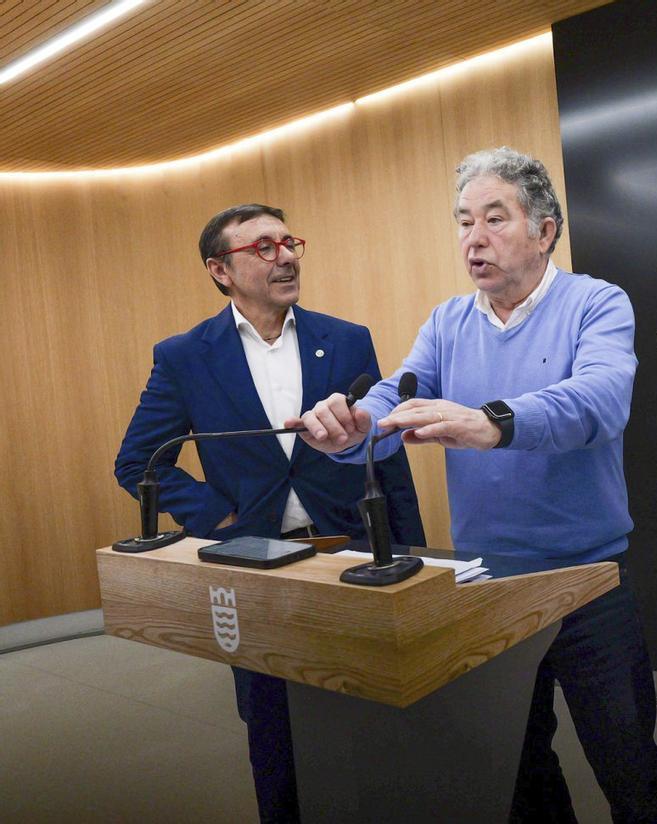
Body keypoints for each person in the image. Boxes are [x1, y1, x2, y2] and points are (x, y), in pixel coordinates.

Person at [288, 148, 657, 823]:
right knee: (519, 764)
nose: (474, 238)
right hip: (487, 583)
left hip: (587, 580)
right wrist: (357, 425)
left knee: (627, 762)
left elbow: (599, 399)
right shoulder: (447, 321)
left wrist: (493, 422)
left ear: (545, 230)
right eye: (463, 222)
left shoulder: (595, 302)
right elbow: (399, 391)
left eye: (495, 219)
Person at [115, 203, 425, 823]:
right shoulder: (184, 356)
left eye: (288, 242)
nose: (284, 256)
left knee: (378, 715)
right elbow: (140, 462)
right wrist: (217, 518)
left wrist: (414, 549)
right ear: (220, 269)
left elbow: (382, 452)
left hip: (351, 553)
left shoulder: (346, 338)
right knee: (274, 732)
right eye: (262, 247)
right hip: (255, 566)